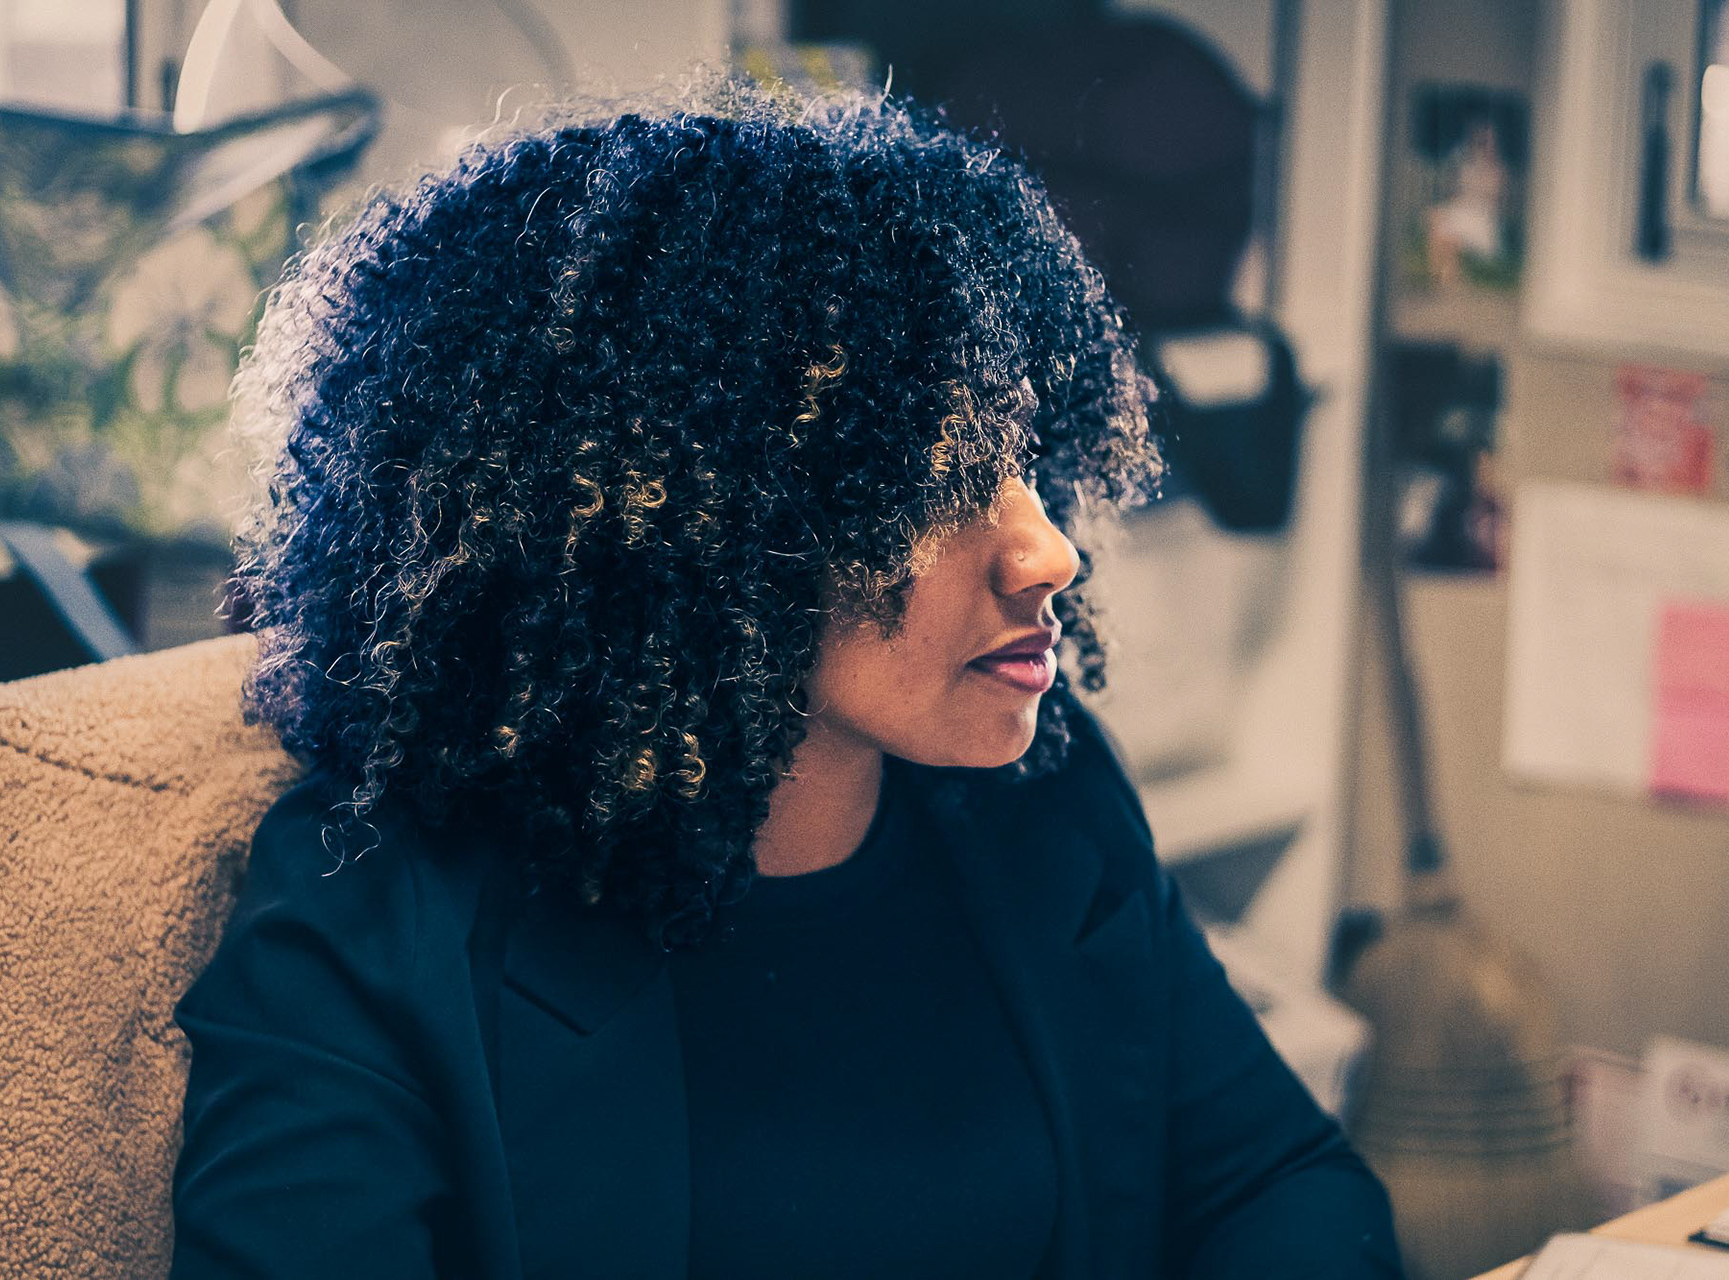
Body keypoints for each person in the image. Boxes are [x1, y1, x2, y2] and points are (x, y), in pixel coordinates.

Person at [169, 80, 1403, 1279]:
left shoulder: (1045, 798)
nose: (1048, 551)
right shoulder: (373, 921)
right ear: (683, 528)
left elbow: (1281, 1181)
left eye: (1022, 455)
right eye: (929, 478)